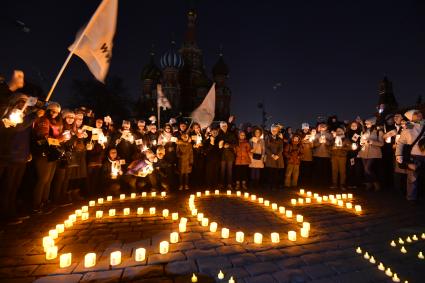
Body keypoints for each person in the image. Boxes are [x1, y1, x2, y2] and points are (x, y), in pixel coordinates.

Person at [0, 94, 40, 223]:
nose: (23, 104)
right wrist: (35, 116)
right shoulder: (11, 115)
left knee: (16, 186)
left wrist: (28, 151)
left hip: (22, 155)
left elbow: (25, 136)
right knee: (8, 186)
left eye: (25, 102)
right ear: (15, 102)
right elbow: (18, 128)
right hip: (11, 155)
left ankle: (12, 211)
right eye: (21, 101)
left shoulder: (25, 116)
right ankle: (5, 213)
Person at [32, 102, 64, 211]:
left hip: (52, 153)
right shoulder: (43, 120)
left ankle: (45, 201)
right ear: (48, 110)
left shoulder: (55, 122)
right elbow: (43, 138)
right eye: (53, 111)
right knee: (43, 179)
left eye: (57, 112)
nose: (55, 114)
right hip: (43, 153)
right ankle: (37, 204)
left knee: (49, 179)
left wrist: (62, 137)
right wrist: (60, 139)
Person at [396, 110, 425, 203]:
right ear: (411, 117)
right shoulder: (409, 126)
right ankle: (411, 197)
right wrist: (399, 154)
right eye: (416, 114)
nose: (419, 114)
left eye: (419, 113)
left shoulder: (424, 123)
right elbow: (401, 142)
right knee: (413, 178)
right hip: (414, 155)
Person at [358, 117, 384, 191]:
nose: (366, 125)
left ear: (373, 123)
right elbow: (361, 142)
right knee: (365, 169)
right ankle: (369, 184)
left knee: (367, 168)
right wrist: (362, 142)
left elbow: (381, 144)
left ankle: (376, 184)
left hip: (373, 153)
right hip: (364, 152)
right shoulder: (363, 132)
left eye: (367, 123)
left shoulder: (379, 131)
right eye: (365, 123)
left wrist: (372, 142)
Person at [217, 121, 237, 189]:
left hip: (230, 155)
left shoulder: (231, 134)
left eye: (225, 126)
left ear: (227, 126)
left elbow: (236, 144)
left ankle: (229, 184)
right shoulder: (219, 135)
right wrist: (220, 145)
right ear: (220, 127)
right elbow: (217, 145)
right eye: (222, 126)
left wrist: (229, 145)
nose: (224, 127)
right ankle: (221, 183)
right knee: (222, 170)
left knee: (229, 171)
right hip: (222, 155)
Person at [312, 123, 332, 187]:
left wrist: (326, 142)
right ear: (319, 128)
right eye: (321, 127)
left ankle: (325, 183)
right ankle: (317, 183)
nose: (323, 128)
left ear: (326, 127)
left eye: (324, 126)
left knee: (325, 170)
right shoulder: (317, 135)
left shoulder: (329, 135)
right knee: (318, 170)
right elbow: (314, 145)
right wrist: (319, 142)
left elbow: (332, 144)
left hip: (326, 155)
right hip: (317, 155)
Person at [265, 124, 285, 190]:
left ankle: (274, 185)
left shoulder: (279, 139)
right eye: (272, 130)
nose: (274, 131)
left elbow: (281, 148)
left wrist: (277, 155)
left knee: (276, 173)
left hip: (277, 158)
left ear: (277, 131)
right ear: (271, 130)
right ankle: (269, 185)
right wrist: (272, 155)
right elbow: (266, 148)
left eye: (275, 130)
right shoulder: (267, 138)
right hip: (270, 158)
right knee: (270, 172)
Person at [346, 121, 363, 189]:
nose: (353, 126)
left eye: (355, 125)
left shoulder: (360, 133)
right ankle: (350, 183)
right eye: (352, 125)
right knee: (350, 168)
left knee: (357, 168)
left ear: (358, 126)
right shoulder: (347, 133)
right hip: (350, 154)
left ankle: (357, 184)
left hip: (358, 154)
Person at [190, 123, 205, 188]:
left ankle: (201, 182)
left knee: (201, 167)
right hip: (194, 153)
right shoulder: (191, 134)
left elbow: (204, 142)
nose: (197, 128)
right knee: (195, 168)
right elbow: (189, 142)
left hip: (201, 153)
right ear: (193, 128)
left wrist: (202, 144)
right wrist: (193, 145)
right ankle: (195, 183)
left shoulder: (202, 134)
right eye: (196, 127)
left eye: (198, 127)